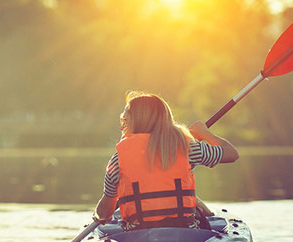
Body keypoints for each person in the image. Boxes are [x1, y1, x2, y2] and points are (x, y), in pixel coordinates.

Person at [94, 91, 239, 230]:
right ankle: (208, 213)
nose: (122, 125)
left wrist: (99, 215)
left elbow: (104, 213)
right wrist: (205, 134)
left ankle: (206, 211)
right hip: (185, 234)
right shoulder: (187, 148)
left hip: (137, 236)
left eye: (124, 119)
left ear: (133, 122)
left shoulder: (117, 161)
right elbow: (231, 153)